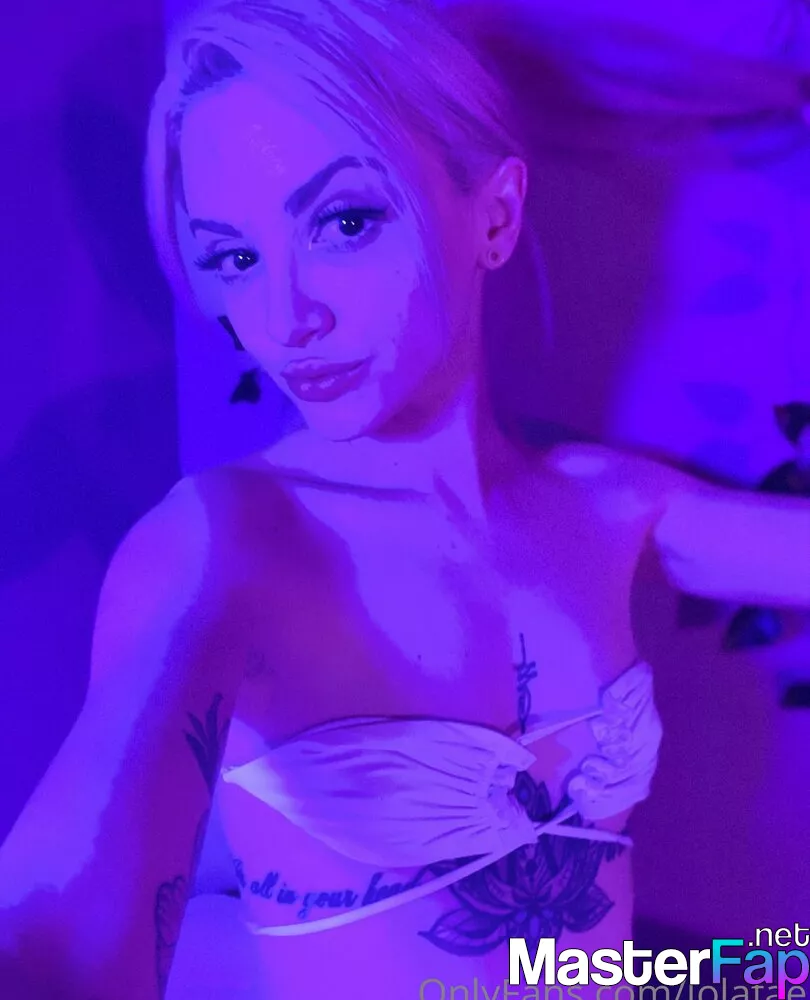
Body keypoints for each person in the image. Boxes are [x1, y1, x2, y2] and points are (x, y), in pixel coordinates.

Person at [1, 1, 808, 997]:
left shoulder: (604, 506)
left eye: (343, 222)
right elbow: (61, 919)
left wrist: (766, 974)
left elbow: (575, 966)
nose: (285, 317)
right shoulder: (225, 542)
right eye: (235, 257)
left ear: (494, 216)